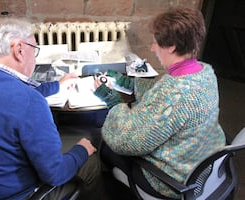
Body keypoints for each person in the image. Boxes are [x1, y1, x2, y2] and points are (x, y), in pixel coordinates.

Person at [0, 18, 101, 199]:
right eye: (34, 50)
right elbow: (55, 174)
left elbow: (12, 88)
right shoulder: (30, 102)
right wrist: (82, 149)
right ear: (19, 50)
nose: (35, 58)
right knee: (91, 160)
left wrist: (58, 86)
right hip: (12, 195)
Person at [94, 7, 226, 199]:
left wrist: (111, 100)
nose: (152, 48)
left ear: (172, 46)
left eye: (156, 42)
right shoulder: (203, 72)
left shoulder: (174, 94)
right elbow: (164, 91)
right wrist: (129, 82)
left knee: (106, 147)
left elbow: (127, 141)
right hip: (201, 163)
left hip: (171, 180)